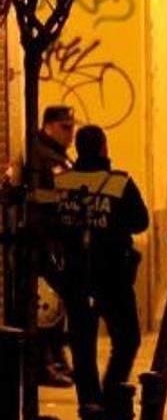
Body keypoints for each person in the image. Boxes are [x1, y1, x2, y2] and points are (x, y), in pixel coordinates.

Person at [52, 126, 148, 420]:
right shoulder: (119, 182)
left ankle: (90, 411)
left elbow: (51, 224)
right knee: (128, 338)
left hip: (75, 276)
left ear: (78, 150)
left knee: (83, 348)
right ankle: (111, 397)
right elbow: (140, 221)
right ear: (104, 148)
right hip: (114, 276)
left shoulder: (61, 183)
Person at [29, 105, 77, 388]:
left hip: (60, 239)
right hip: (47, 239)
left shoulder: (58, 156)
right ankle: (45, 362)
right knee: (47, 306)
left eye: (72, 128)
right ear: (49, 126)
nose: (70, 134)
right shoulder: (42, 155)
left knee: (59, 306)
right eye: (64, 128)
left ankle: (57, 358)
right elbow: (44, 196)